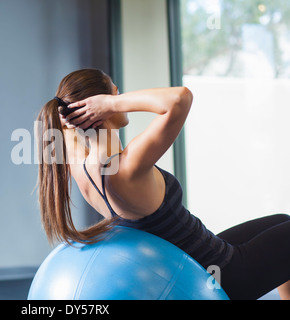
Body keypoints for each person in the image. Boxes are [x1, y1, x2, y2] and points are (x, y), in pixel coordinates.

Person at [35, 68, 290, 300]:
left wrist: (75, 111)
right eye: (116, 92)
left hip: (196, 262)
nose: (121, 97)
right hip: (224, 276)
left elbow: (63, 130)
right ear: (102, 106)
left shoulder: (83, 168)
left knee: (281, 219)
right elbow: (180, 98)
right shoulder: (126, 168)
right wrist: (110, 103)